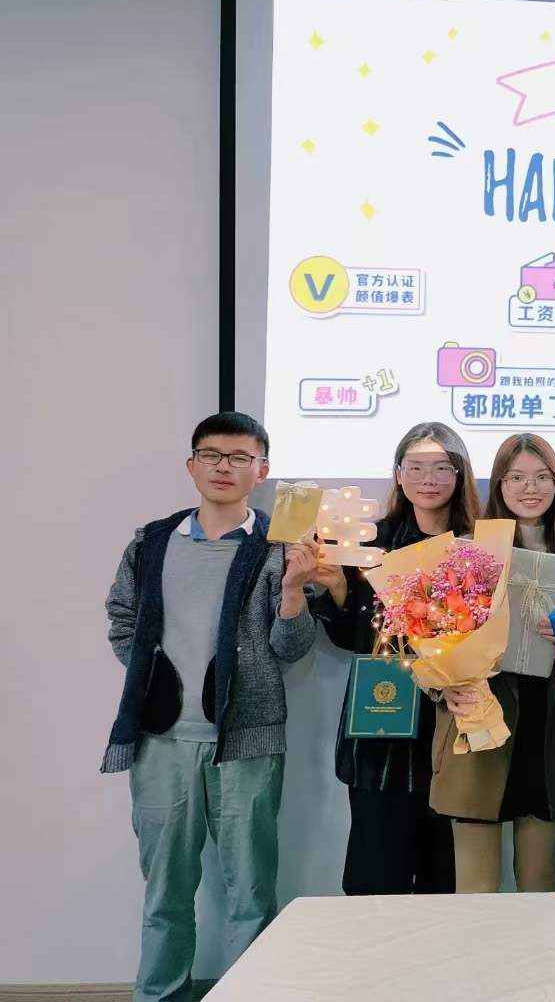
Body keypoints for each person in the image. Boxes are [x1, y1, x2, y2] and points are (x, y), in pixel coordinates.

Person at [103, 412, 320, 1002]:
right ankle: (159, 994)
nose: (224, 467)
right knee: (164, 893)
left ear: (262, 471)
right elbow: (121, 619)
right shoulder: (151, 542)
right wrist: (154, 680)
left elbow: (291, 649)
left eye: (240, 457)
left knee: (251, 893)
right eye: (212, 455)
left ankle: (250, 994)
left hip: (248, 742)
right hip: (160, 742)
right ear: (192, 464)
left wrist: (294, 591)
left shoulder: (280, 548)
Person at [314, 422, 480, 895]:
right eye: (416, 467)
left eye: (442, 467)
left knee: (444, 887)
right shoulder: (370, 542)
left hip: (451, 726)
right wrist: (338, 588)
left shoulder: (478, 546)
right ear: (398, 474)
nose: (429, 479)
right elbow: (349, 638)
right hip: (380, 728)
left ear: (459, 474)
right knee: (374, 885)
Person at [435, 434, 555, 893]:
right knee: (476, 891)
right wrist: (442, 686)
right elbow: (432, 642)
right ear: (499, 484)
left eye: (543, 477)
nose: (531, 488)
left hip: (547, 732)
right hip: (479, 726)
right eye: (517, 477)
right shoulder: (469, 550)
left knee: (538, 887)